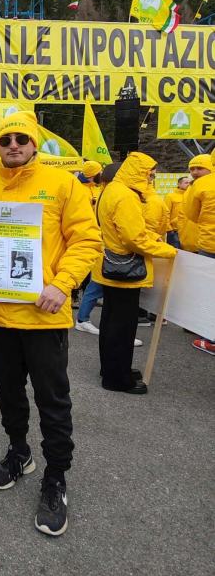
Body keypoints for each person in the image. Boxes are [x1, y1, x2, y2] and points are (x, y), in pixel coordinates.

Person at [0, 111, 102, 537]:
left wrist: (63, 285)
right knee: (9, 392)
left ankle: (56, 476)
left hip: (43, 315)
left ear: (33, 143)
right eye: (6, 140)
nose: (13, 146)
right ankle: (19, 452)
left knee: (52, 399)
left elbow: (87, 239)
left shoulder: (64, 184)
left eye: (21, 139)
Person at [94, 152, 176, 394]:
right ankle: (117, 378)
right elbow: (133, 238)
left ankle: (111, 369)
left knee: (111, 322)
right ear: (138, 171)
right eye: (149, 172)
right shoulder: (126, 196)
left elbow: (126, 231)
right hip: (125, 270)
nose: (151, 177)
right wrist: (166, 250)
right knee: (123, 326)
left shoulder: (111, 190)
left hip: (110, 265)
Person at [74, 161, 142, 351]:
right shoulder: (115, 195)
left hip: (104, 249)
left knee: (96, 287)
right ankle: (84, 319)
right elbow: (131, 235)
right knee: (98, 289)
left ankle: (84, 319)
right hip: (110, 252)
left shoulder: (103, 192)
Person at [182, 159, 215, 354]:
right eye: (192, 169)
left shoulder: (202, 185)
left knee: (208, 292)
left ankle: (210, 338)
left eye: (199, 168)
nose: (194, 172)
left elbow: (191, 214)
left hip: (210, 245)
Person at [164, 176, 191, 248]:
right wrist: (169, 229)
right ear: (179, 184)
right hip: (175, 231)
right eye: (186, 183)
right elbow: (165, 213)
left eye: (189, 183)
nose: (188, 184)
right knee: (176, 254)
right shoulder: (170, 196)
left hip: (188, 231)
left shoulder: (192, 196)